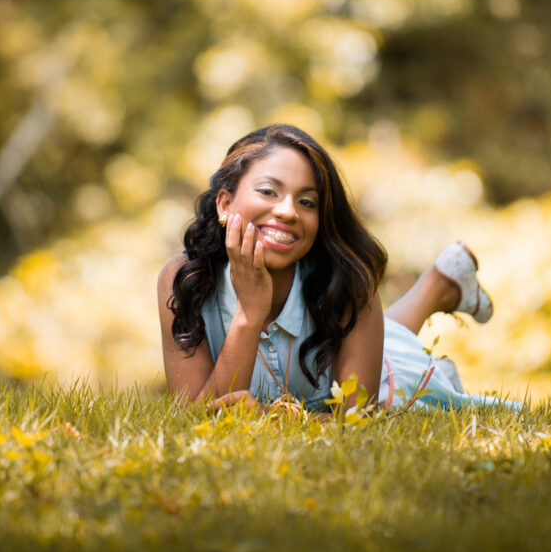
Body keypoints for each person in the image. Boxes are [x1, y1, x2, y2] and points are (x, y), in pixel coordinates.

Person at [158, 123, 518, 414]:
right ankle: (443, 280)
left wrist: (273, 418)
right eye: (268, 191)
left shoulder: (348, 281)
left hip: (388, 380)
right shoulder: (183, 283)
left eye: (307, 201)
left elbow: (357, 420)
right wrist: (249, 315)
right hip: (347, 345)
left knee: (388, 350)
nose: (287, 211)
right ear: (224, 203)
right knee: (378, 332)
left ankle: (441, 284)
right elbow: (194, 418)